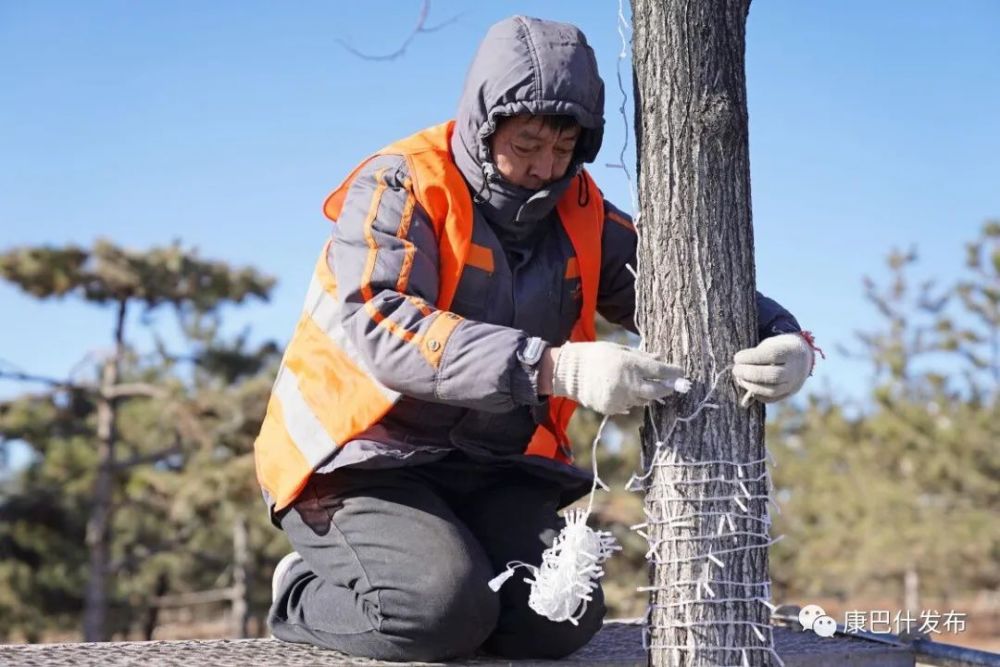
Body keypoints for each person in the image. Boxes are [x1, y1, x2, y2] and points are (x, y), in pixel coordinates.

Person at [257, 15, 816, 662]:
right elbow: (383, 323)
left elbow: (674, 285)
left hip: (493, 465)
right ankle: (303, 588)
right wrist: (556, 367)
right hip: (358, 464)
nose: (544, 167)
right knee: (438, 610)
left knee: (561, 611)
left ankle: (454, 581)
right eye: (526, 145)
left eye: (564, 147)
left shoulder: (580, 209)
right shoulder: (400, 184)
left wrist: (783, 335)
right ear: (482, 121)